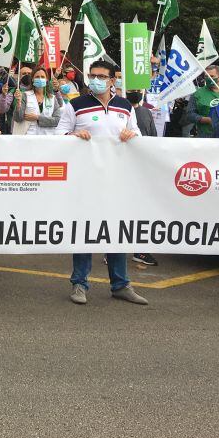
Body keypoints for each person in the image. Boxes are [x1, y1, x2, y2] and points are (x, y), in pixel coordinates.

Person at [55, 59, 148, 306]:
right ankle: (79, 284)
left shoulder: (125, 106)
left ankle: (120, 284)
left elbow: (137, 134)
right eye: (92, 75)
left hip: (117, 179)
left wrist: (132, 135)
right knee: (84, 231)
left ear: (112, 81)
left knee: (116, 231)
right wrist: (73, 136)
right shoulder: (75, 105)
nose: (95, 79)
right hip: (85, 179)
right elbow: (58, 135)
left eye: (101, 76)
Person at [125, 86, 159, 268]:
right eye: (132, 89)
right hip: (123, 165)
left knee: (141, 209)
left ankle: (141, 250)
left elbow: (152, 136)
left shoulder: (146, 111)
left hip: (142, 165)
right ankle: (112, 251)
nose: (135, 92)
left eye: (138, 89)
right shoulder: (120, 110)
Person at [12, 66, 63, 135]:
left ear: (46, 79)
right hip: (28, 138)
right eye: (37, 77)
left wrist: (37, 118)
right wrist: (18, 104)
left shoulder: (52, 98)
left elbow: (57, 120)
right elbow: (18, 118)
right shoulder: (25, 95)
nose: (40, 79)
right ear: (32, 79)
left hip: (47, 138)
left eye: (42, 77)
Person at [186, 64, 219, 138]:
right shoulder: (197, 94)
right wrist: (204, 119)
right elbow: (189, 114)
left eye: (212, 76)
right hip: (205, 135)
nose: (208, 78)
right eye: (206, 76)